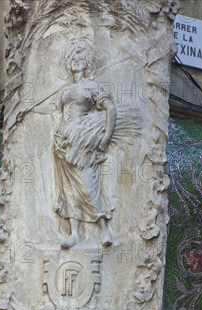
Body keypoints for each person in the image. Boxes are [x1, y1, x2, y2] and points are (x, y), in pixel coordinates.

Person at [53, 45, 116, 249]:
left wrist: (106, 136)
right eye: (73, 59)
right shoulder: (65, 90)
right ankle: (74, 233)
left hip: (83, 140)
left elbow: (110, 108)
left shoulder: (92, 87)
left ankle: (105, 228)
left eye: (81, 59)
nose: (76, 61)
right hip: (64, 140)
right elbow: (58, 114)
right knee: (68, 189)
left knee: (88, 185)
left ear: (87, 64)